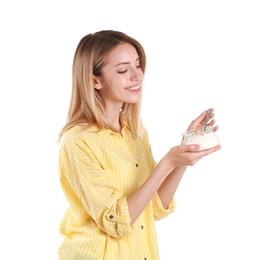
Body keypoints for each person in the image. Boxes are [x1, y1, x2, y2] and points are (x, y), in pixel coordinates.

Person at [57, 30, 221, 259]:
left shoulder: (135, 132)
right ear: (95, 80)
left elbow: (154, 207)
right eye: (123, 70)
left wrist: (184, 153)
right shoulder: (78, 141)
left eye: (137, 65)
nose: (137, 76)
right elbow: (116, 222)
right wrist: (166, 163)